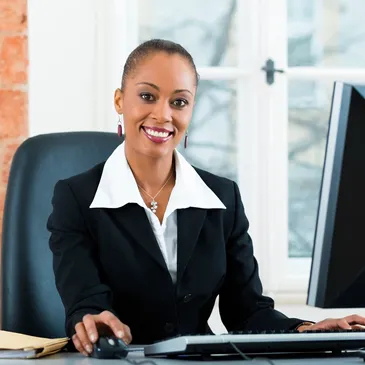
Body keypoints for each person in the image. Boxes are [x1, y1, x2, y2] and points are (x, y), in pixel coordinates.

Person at [47, 39, 365, 357]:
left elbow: (248, 312)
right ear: (119, 100)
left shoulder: (222, 198)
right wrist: (94, 324)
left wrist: (305, 331)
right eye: (147, 96)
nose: (163, 114)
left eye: (179, 102)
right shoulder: (76, 197)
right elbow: (85, 302)